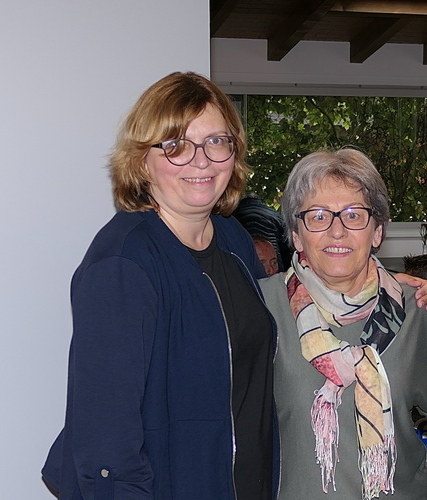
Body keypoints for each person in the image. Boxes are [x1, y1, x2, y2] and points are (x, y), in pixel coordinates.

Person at [42, 72, 278, 499]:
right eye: (175, 146)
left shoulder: (233, 239)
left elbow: (280, 322)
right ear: (141, 160)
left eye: (216, 141)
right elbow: (105, 445)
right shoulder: (123, 265)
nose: (201, 161)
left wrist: (388, 290)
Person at [260, 149, 427, 500]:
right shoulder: (261, 306)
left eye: (354, 215)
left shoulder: (411, 308)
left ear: (377, 231)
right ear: (297, 234)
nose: (337, 231)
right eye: (318, 216)